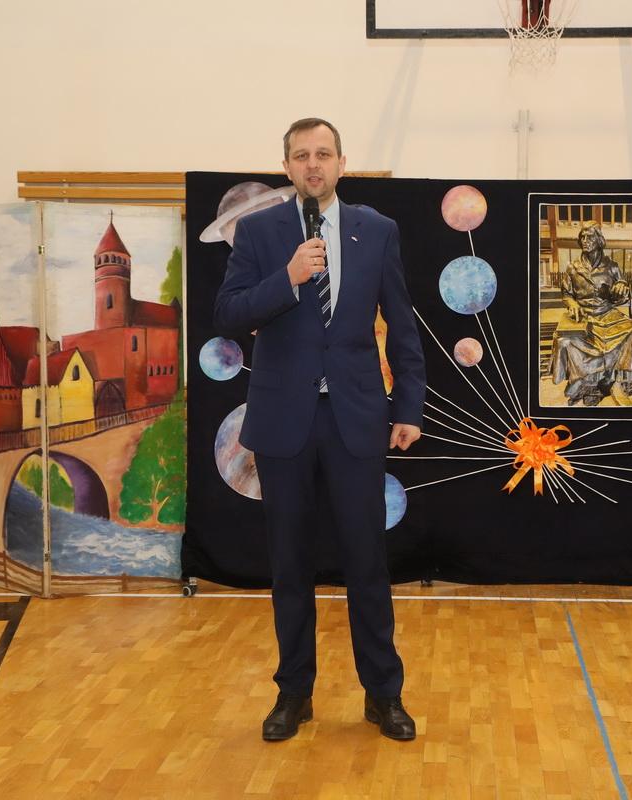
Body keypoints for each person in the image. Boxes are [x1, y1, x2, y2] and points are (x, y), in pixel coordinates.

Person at [213, 118, 425, 742]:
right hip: (285, 423)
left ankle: (384, 694)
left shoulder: (376, 230)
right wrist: (288, 278)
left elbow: (402, 324)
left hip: (356, 419)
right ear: (286, 167)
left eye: (323, 154)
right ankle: (294, 694)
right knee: (289, 564)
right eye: (301, 155)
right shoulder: (259, 232)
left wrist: (409, 408)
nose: (313, 164)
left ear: (341, 163)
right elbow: (228, 313)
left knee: (367, 563)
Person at [550, 220, 632, 406]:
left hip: (607, 314)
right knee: (565, 340)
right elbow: (567, 295)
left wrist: (621, 288)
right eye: (582, 237)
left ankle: (615, 379)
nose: (585, 240)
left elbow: (620, 292)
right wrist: (572, 304)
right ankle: (578, 378)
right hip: (584, 316)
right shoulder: (573, 267)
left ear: (599, 240)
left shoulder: (612, 266)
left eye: (590, 237)